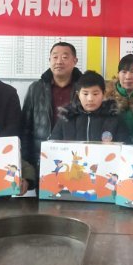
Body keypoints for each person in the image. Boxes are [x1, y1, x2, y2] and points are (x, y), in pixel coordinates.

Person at [21, 42, 83, 174]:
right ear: (49, 60)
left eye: (65, 57)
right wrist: (27, 163)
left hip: (76, 159)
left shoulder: (85, 90)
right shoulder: (36, 89)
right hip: (42, 158)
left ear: (75, 61)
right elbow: (25, 128)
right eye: (55, 57)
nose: (59, 61)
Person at [49, 70, 129, 143]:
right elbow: (53, 146)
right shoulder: (66, 117)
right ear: (78, 95)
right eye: (85, 94)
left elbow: (124, 147)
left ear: (103, 94)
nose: (90, 99)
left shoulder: (114, 118)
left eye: (95, 94)